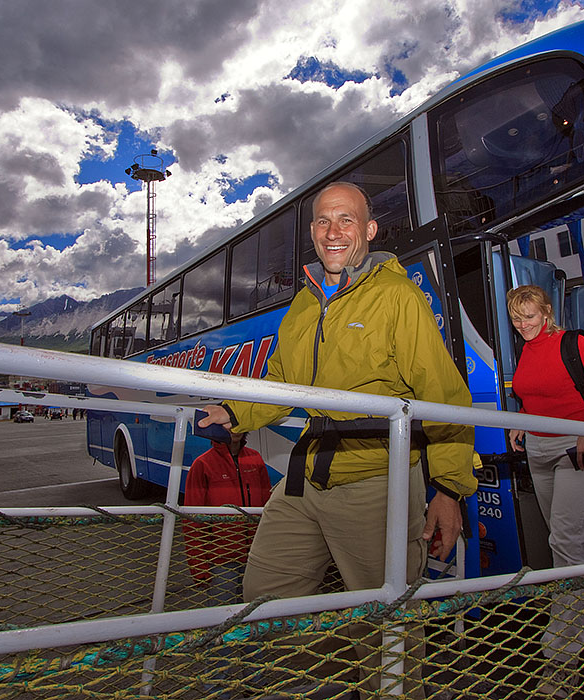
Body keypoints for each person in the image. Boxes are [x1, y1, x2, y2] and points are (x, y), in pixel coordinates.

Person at [197, 181, 478, 693]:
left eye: (346, 219)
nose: (334, 231)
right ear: (312, 233)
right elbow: (282, 383)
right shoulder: (302, 307)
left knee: (387, 630)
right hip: (305, 478)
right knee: (264, 604)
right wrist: (233, 411)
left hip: (376, 478)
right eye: (324, 221)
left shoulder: (398, 297)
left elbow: (445, 398)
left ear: (368, 230)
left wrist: (450, 490)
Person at [506, 284, 584, 698]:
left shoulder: (573, 343)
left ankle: (561, 660)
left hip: (577, 447)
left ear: (547, 312)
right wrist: (520, 418)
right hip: (537, 448)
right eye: (517, 319)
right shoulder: (526, 347)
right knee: (571, 533)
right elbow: (533, 396)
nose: (523, 325)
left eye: (530, 316)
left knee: (564, 543)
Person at [183, 431, 272, 604]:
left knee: (253, 612)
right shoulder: (202, 464)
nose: (234, 429)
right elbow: (193, 520)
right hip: (221, 561)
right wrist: (198, 565)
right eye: (226, 425)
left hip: (255, 558)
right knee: (222, 616)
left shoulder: (255, 459)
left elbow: (268, 509)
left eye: (236, 423)